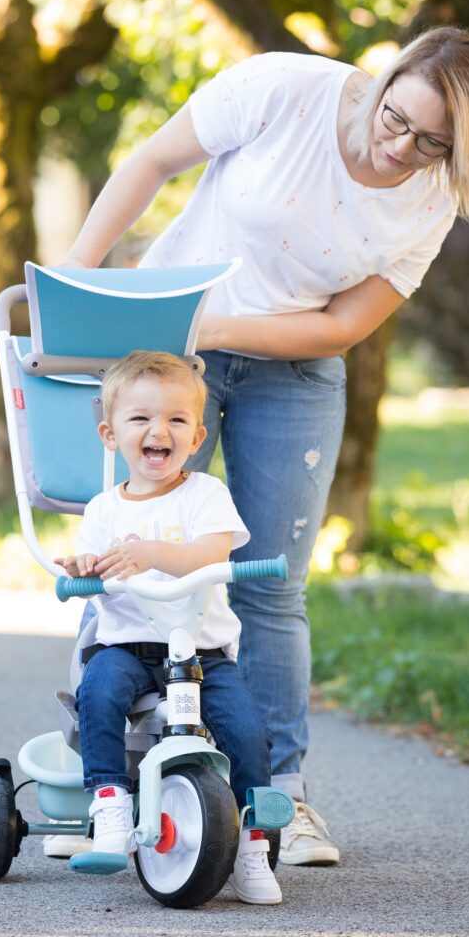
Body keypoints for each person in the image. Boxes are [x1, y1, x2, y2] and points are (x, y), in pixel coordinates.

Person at [50, 26, 469, 866]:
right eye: (397, 119)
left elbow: (341, 325)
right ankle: (105, 781)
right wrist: (76, 279)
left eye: (433, 143)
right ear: (388, 76)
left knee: (268, 585)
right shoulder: (283, 89)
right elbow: (152, 162)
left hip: (293, 369)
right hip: (170, 356)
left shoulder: (432, 197)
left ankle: (281, 799)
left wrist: (219, 328)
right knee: (124, 554)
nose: (400, 149)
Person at [54, 350, 283, 905]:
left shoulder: (205, 495)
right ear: (111, 435)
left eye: (176, 419)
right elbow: (89, 562)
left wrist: (154, 552)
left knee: (248, 732)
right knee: (98, 693)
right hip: (127, 646)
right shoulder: (103, 510)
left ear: (197, 436)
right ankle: (110, 803)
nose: (159, 431)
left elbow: (213, 551)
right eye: (141, 418)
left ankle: (252, 844)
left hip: (201, 652)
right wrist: (82, 567)